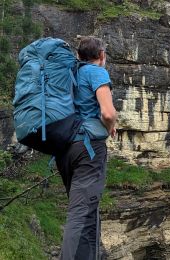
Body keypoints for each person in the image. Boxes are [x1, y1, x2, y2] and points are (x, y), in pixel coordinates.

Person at [56, 36, 117, 260]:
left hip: (65, 149)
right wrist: (111, 126)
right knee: (81, 213)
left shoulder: (70, 73)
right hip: (88, 149)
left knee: (86, 211)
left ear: (79, 56)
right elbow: (108, 112)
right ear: (101, 55)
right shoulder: (97, 72)